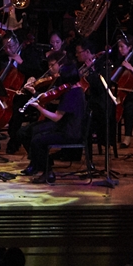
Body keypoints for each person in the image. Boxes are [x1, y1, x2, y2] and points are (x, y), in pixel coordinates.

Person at [22, 53, 87, 183]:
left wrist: (39, 107)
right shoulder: (77, 90)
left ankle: (47, 172)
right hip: (69, 129)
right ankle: (44, 168)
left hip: (70, 133)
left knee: (37, 140)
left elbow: (57, 117)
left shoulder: (71, 94)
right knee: (36, 135)